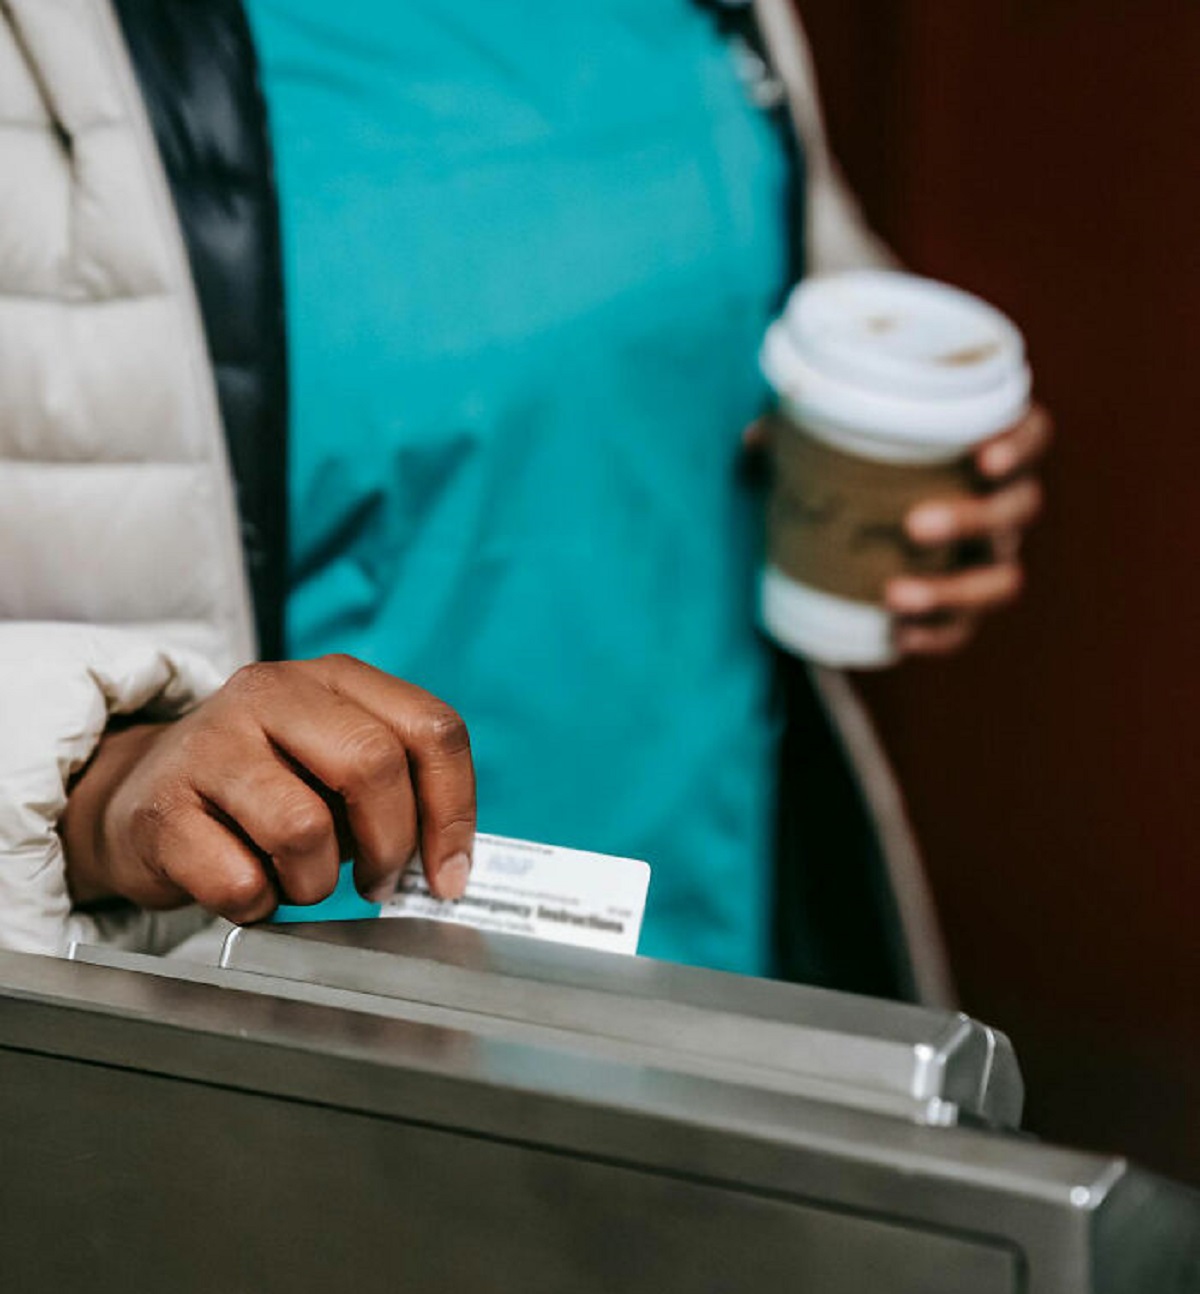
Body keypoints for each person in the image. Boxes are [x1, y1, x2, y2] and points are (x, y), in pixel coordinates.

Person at [0, 0, 1048, 1002]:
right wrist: (97, 790)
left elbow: (719, 287)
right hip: (282, 1060)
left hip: (725, 967)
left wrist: (899, 432)